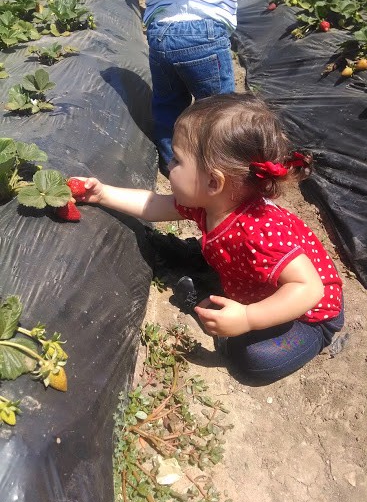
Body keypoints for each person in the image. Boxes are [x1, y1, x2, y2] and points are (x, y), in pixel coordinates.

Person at [74, 93, 345, 384]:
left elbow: (309, 288)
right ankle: (223, 297)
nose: (169, 164)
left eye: (177, 159)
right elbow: (153, 206)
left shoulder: (260, 233)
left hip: (309, 316)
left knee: (252, 362)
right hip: (262, 288)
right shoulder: (211, 203)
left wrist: (248, 319)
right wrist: (102, 194)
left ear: (214, 182)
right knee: (211, 262)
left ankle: (309, 340)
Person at [124, 0, 279, 176]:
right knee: (218, 108)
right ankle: (217, 169)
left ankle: (174, 165)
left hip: (161, 32)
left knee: (168, 102)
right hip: (205, 33)